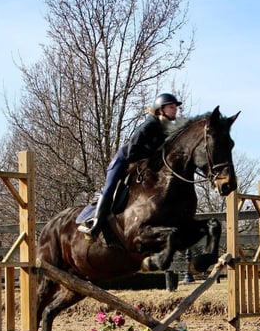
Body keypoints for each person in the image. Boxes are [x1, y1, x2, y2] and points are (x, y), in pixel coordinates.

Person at [78, 92, 182, 238]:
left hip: (142, 165)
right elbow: (132, 151)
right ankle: (94, 223)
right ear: (161, 109)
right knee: (109, 190)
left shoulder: (164, 129)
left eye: (175, 107)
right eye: (171, 107)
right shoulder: (148, 126)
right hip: (123, 161)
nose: (175, 109)